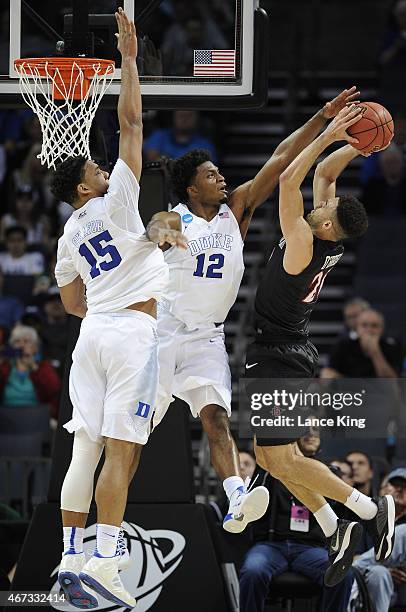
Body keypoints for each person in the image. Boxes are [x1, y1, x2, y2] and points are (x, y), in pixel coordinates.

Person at [145, 88, 362, 535]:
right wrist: (159, 235)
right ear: (191, 187)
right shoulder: (171, 217)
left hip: (207, 335)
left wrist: (322, 116)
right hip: (161, 333)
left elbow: (282, 159)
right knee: (133, 435)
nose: (220, 178)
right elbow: (150, 234)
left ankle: (236, 499)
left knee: (217, 418)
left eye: (219, 171)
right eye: (210, 175)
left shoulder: (236, 209)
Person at [50, 9, 186, 609]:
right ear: (84, 187)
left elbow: (68, 298)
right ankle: (106, 561)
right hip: (132, 331)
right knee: (122, 449)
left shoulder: (68, 233)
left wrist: (96, 313)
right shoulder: (116, 201)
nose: (102, 167)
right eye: (93, 168)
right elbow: (131, 120)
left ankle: (68, 556)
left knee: (85, 449)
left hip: (93, 335)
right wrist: (129, 61)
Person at [244, 115, 395, 588]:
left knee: (283, 460)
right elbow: (324, 175)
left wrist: (329, 135)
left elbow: (291, 176)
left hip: (279, 354)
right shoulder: (328, 237)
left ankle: (369, 510)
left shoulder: (303, 241)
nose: (316, 204)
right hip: (286, 350)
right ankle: (335, 528)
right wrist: (359, 147)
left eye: (321, 208)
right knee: (268, 458)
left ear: (326, 223)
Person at [240, 444, 354, 612]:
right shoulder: (272, 467)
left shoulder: (326, 471)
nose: (310, 433)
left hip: (310, 548)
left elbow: (336, 504)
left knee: (342, 573)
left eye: (315, 428)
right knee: (253, 571)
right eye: (305, 427)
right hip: (271, 546)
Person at [353, 468, 406, 611]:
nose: (399, 489)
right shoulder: (367, 523)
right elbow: (356, 557)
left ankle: (350, 570)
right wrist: (385, 569)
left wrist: (365, 564)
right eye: (394, 485)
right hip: (380, 586)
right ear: (383, 491)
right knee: (378, 573)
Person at [0, 324, 60, 418]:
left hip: (36, 417)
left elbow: (53, 390)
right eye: (17, 341)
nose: (21, 345)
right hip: (6, 417)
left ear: (35, 347)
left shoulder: (43, 367)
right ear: (12, 346)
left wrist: (33, 367)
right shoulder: (5, 367)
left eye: (26, 341)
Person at [323, 308, 401, 379]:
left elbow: (391, 380)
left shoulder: (391, 347)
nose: (369, 330)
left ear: (381, 329)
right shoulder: (343, 345)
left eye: (374, 326)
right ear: (357, 328)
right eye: (364, 325)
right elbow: (328, 372)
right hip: (350, 391)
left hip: (379, 392)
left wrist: (375, 352)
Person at [361, 144, 406, 216]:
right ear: (381, 166)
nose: (392, 166)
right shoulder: (371, 188)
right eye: (388, 162)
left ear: (402, 164)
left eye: (395, 162)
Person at [144, 110, 217, 162]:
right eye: (181, 115)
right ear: (173, 117)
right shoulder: (159, 136)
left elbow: (208, 170)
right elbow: (152, 161)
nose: (184, 119)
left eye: (189, 116)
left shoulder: (205, 145)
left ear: (197, 118)